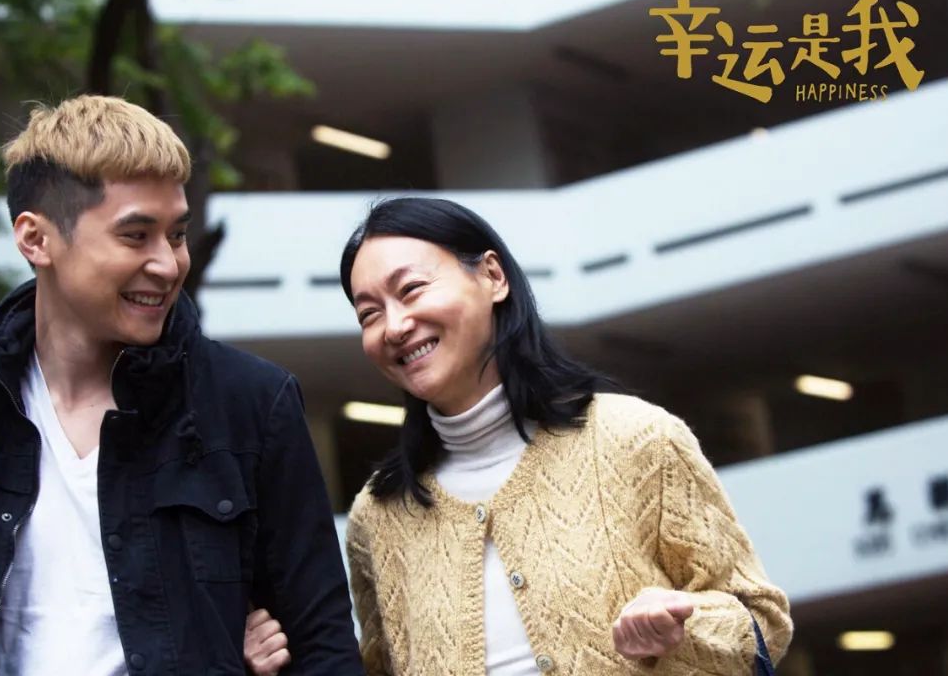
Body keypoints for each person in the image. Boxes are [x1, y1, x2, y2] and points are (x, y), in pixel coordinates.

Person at [0, 95, 362, 676]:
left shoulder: (251, 402)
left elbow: (323, 645)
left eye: (177, 234)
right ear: (36, 240)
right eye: (136, 235)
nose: (168, 265)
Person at [338, 197, 793, 675]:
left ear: (493, 277)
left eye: (411, 289)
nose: (395, 326)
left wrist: (683, 623)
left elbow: (762, 620)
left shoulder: (637, 438)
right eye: (369, 314)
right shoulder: (377, 517)